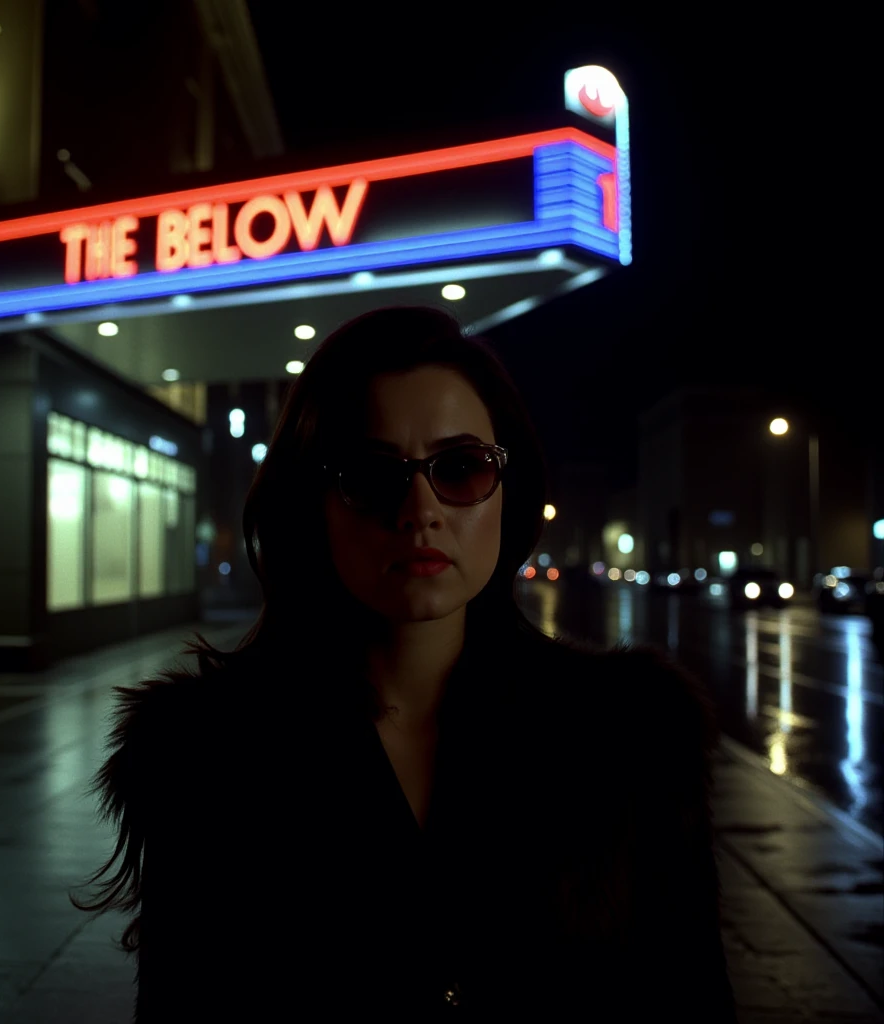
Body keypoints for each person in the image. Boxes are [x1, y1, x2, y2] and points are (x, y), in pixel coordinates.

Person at [70, 306, 738, 1021]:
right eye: (371, 473)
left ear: (509, 491)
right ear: (313, 503)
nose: (420, 510)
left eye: (461, 467)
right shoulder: (203, 752)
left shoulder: (632, 733)